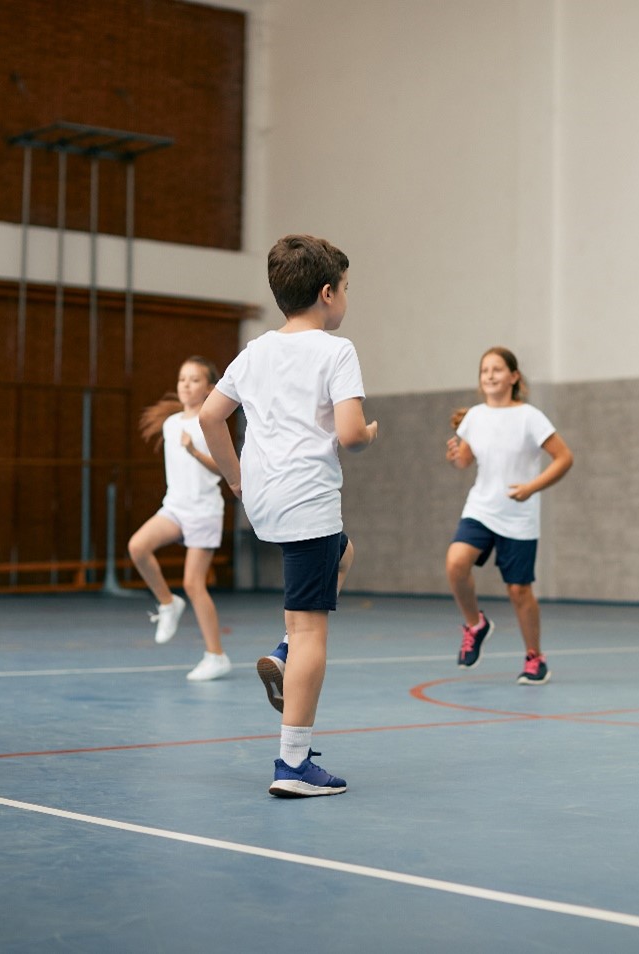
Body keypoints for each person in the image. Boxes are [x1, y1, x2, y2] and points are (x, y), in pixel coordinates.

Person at [199, 234, 377, 797]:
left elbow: (210, 417)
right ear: (327, 293)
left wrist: (234, 477)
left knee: (343, 554)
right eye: (345, 289)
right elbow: (350, 436)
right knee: (310, 629)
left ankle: (282, 650)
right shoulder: (335, 350)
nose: (346, 299)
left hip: (266, 500)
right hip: (307, 501)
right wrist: (369, 433)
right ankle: (293, 764)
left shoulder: (254, 351)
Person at [445, 347, 573, 684]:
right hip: (481, 508)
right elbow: (465, 462)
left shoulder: (530, 416)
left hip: (518, 514)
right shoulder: (474, 416)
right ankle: (475, 625)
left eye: (497, 369)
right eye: (484, 369)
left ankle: (535, 657)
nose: (489, 375)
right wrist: (457, 454)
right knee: (456, 563)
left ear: (514, 377)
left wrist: (532, 487)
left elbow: (564, 458)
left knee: (519, 591)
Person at [129, 357, 232, 681]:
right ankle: (167, 603)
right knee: (138, 547)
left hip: (204, 510)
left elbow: (226, 468)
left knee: (193, 583)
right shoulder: (171, 424)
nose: (186, 385)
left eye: (194, 379)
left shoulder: (212, 421)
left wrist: (195, 453)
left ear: (210, 388)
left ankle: (216, 656)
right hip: (175, 507)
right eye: (182, 379)